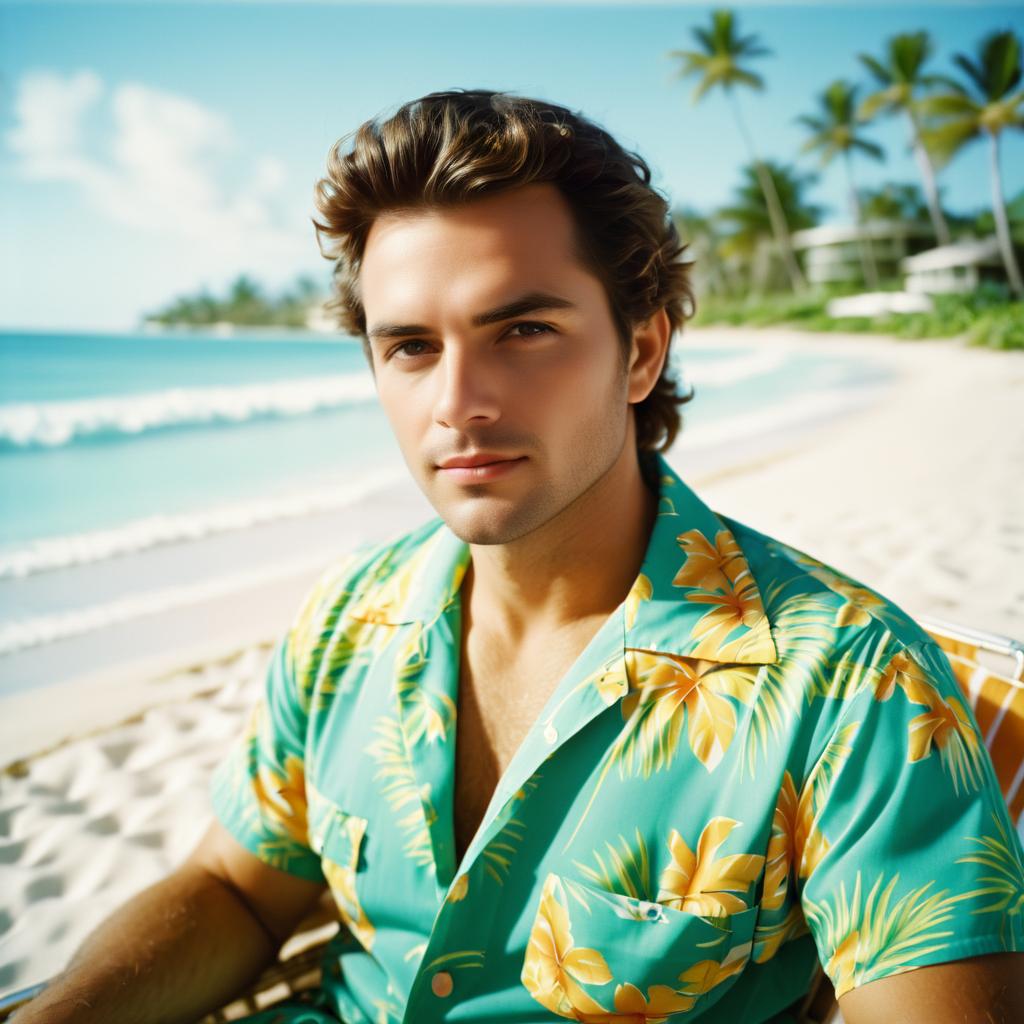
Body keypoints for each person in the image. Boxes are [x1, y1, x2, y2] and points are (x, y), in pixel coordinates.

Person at [18, 89, 1024, 1024]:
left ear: (640, 351)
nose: (458, 402)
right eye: (410, 346)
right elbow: (236, 889)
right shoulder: (348, 618)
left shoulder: (850, 683)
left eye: (524, 329)